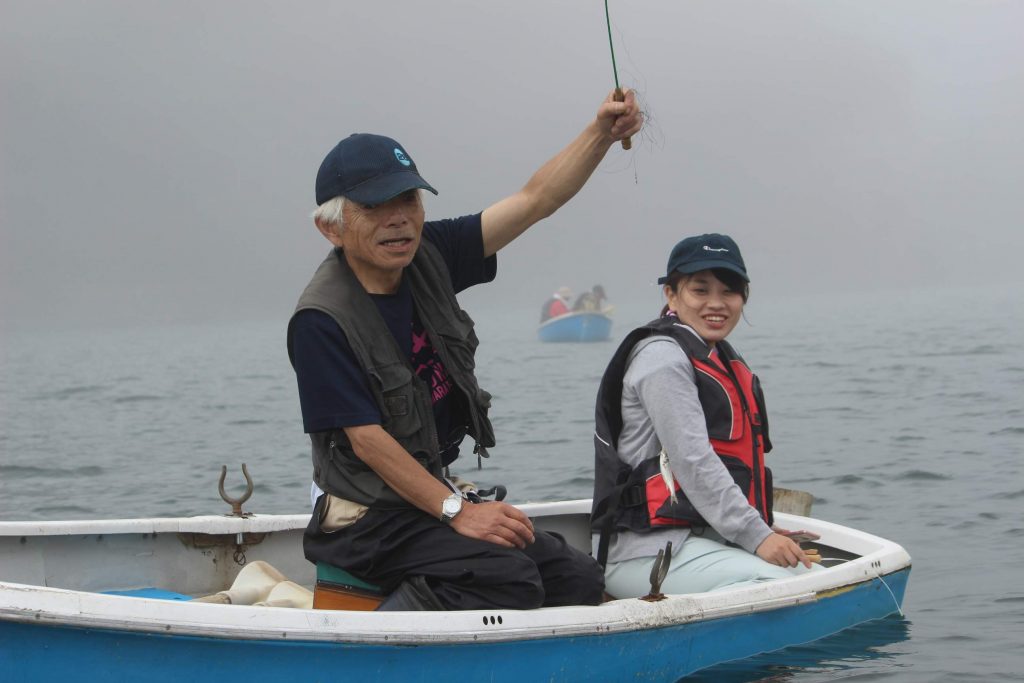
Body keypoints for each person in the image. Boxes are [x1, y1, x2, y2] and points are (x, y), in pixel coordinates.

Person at [288, 90, 643, 611]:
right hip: (365, 521)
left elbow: (535, 200)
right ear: (331, 227)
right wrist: (457, 510)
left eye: (408, 199)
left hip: (424, 502)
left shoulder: (429, 254)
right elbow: (366, 440)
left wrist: (601, 134)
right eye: (374, 206)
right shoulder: (321, 320)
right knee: (509, 578)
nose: (399, 220)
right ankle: (373, 642)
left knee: (576, 578)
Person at [590, 233, 815, 598]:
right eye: (700, 290)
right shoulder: (662, 359)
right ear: (671, 295)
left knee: (814, 573)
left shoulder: (717, 356)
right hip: (646, 553)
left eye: (729, 291)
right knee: (788, 587)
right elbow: (693, 461)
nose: (717, 303)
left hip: (701, 542)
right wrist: (758, 537)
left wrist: (761, 531)